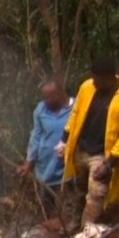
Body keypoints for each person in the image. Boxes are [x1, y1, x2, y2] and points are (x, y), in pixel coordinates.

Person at [54, 55, 119, 227]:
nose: (93, 83)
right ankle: (74, 223)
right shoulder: (87, 87)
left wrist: (109, 164)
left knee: (96, 195)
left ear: (109, 78)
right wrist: (64, 141)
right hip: (81, 148)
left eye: (97, 80)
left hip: (102, 155)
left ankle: (85, 234)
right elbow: (76, 114)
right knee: (79, 189)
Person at [17, 80, 73, 227]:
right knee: (47, 204)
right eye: (44, 97)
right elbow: (36, 136)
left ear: (60, 94)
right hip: (45, 166)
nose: (45, 101)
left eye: (48, 97)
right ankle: (47, 233)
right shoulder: (41, 110)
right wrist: (29, 162)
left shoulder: (76, 107)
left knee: (70, 202)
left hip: (68, 165)